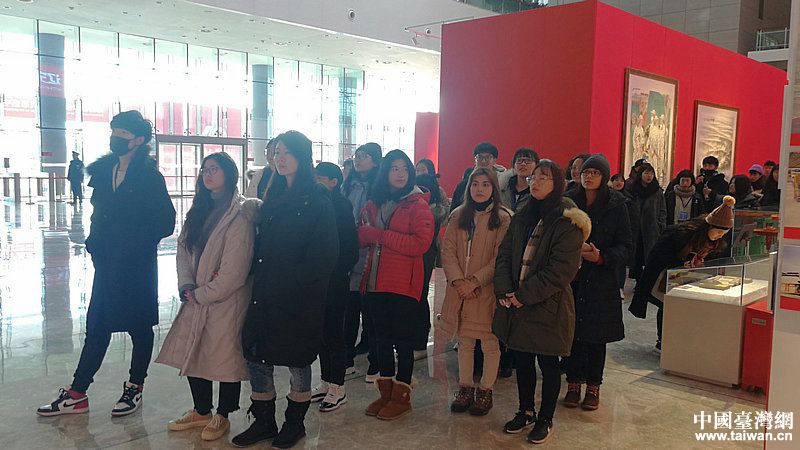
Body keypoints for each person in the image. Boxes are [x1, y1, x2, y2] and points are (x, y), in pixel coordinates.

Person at [37, 111, 176, 417]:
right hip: (108, 265)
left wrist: (134, 242)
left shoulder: (150, 177)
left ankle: (135, 386)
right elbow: (98, 215)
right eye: (114, 132)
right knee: (97, 325)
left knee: (140, 327)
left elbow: (166, 222)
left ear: (138, 140)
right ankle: (77, 393)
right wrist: (94, 244)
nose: (115, 138)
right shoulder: (103, 172)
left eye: (122, 134)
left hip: (137, 266)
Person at [233, 130, 339, 449]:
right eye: (277, 152)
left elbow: (325, 253)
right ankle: (264, 421)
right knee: (257, 355)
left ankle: (294, 424)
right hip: (265, 291)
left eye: (287, 153)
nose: (280, 159)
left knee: (297, 359)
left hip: (298, 296)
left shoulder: (318, 199)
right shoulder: (274, 194)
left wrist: (296, 282)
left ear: (302, 158)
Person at [156, 152, 255, 440]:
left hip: (226, 300)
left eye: (214, 169)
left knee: (225, 356)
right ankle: (201, 410)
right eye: (205, 170)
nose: (208, 174)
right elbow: (183, 250)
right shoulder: (199, 209)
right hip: (195, 295)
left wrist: (204, 293)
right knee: (195, 350)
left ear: (229, 174)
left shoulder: (240, 214)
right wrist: (187, 286)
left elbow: (235, 270)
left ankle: (223, 414)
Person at [493, 160, 590, 444]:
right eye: (533, 177)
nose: (535, 182)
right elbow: (505, 254)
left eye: (543, 178)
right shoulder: (523, 215)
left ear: (557, 183)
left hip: (548, 304)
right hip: (517, 302)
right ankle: (526, 411)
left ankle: (546, 418)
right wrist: (505, 289)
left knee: (548, 363)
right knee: (522, 360)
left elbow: (560, 270)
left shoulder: (568, 220)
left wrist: (523, 295)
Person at [359, 150, 434, 421]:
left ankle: (402, 397)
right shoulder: (374, 203)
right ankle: (386, 393)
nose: (400, 173)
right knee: (380, 340)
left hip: (403, 285)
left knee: (402, 342)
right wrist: (367, 234)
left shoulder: (418, 205)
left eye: (404, 168)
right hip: (375, 282)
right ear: (385, 172)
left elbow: (419, 244)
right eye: (394, 168)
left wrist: (380, 236)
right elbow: (362, 236)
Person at [440, 167, 512, 416]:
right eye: (475, 184)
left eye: (485, 184)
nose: (479, 189)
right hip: (459, 290)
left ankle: (485, 390)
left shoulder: (503, 218)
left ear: (494, 188)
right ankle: (465, 387)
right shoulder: (458, 215)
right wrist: (459, 281)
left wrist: (475, 281)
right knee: (465, 342)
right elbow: (448, 250)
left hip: (486, 291)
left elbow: (500, 257)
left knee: (490, 343)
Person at [563, 155, 632, 411]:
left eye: (595, 172)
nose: (588, 176)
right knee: (572, 334)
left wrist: (602, 256)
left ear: (604, 177)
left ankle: (593, 386)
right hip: (572, 278)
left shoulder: (617, 205)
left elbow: (626, 246)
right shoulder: (569, 201)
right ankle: (573, 383)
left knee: (596, 336)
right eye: (585, 172)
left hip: (601, 279)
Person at [629, 197, 736, 352]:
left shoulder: (716, 242)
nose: (720, 235)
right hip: (663, 276)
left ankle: (676, 341)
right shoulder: (681, 233)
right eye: (718, 231)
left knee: (679, 308)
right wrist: (680, 263)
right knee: (667, 306)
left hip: (687, 278)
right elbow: (659, 255)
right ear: (709, 225)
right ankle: (663, 342)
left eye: (724, 233)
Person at [309, 162, 359, 412]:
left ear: (333, 182)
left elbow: (350, 247)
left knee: (334, 333)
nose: (315, 181)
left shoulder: (340, 205)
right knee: (320, 332)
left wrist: (337, 271)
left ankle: (338, 387)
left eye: (320, 178)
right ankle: (326, 381)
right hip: (316, 279)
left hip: (335, 279)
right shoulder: (315, 204)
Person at [342, 143, 382, 380]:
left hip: (373, 256)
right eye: (357, 155)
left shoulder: (381, 188)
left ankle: (375, 363)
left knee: (371, 313)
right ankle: (346, 359)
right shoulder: (348, 185)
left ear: (375, 161)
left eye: (364, 156)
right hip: (350, 254)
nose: (358, 159)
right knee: (349, 311)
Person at [414, 173, 449, 359]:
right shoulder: (434, 210)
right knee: (418, 295)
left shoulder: (430, 211)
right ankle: (417, 340)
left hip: (424, 254)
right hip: (422, 254)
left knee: (419, 295)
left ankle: (419, 342)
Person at [628, 162, 666, 280]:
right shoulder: (633, 190)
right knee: (637, 257)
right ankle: (637, 279)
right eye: (646, 173)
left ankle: (647, 281)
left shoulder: (657, 191)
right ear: (640, 174)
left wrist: (660, 225)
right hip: (636, 228)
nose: (649, 176)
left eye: (651, 173)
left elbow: (662, 209)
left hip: (652, 229)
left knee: (650, 257)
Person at [450, 142, 505, 213]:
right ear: (475, 160)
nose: (483, 161)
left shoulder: (504, 182)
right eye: (480, 157)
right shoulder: (464, 184)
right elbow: (454, 211)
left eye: (488, 157)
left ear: (495, 160)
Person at [498, 148, 540, 213]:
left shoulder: (538, 190)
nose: (523, 164)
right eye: (519, 160)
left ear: (536, 165)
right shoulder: (502, 187)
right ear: (513, 165)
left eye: (528, 161)